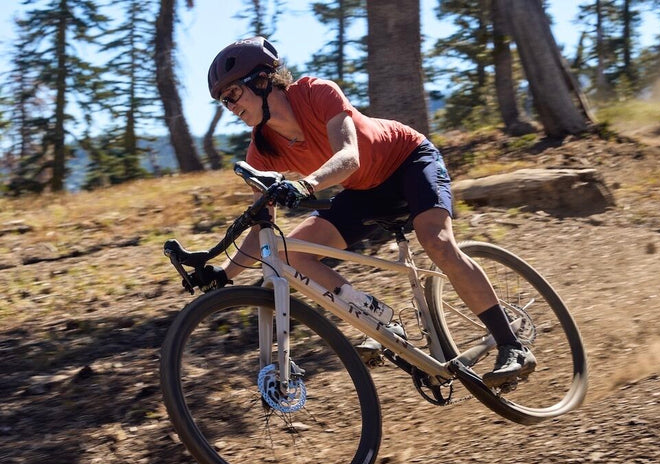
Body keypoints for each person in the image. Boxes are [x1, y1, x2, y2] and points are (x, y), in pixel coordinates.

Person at [197, 36, 533, 387]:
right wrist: (223, 275)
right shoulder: (260, 151)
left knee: (436, 241)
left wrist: (305, 184)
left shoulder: (316, 92)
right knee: (291, 253)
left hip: (408, 161)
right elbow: (260, 230)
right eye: (223, 102)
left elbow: (348, 156)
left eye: (233, 94)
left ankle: (512, 344)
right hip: (364, 190)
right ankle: (382, 320)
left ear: (263, 81)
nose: (230, 107)